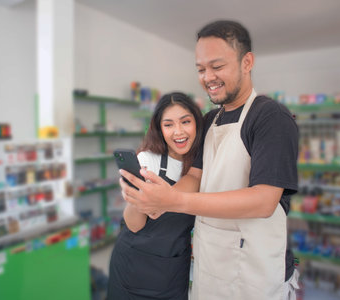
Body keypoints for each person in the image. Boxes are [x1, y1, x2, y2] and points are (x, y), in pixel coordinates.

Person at [119, 20, 300, 300]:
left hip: (255, 269)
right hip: (211, 263)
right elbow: (195, 176)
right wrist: (158, 200)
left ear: (247, 62)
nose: (207, 77)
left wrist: (174, 201)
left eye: (217, 66)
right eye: (201, 69)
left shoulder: (270, 118)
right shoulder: (210, 120)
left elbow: (265, 200)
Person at [107, 92, 204, 300]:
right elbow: (134, 225)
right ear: (160, 129)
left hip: (173, 268)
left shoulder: (203, 162)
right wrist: (137, 199)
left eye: (185, 122)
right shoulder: (148, 160)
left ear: (197, 122)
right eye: (168, 125)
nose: (178, 132)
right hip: (133, 267)